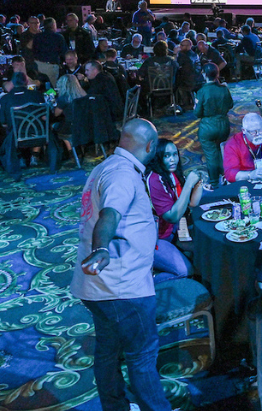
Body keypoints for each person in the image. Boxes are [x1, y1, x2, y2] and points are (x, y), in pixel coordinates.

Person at [70, 119, 172, 411]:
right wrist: (101, 247)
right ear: (151, 146)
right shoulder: (124, 175)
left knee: (108, 352)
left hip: (98, 286)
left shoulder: (105, 166)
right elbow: (109, 216)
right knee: (142, 357)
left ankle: (116, 407)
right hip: (122, 287)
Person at [145, 139, 205, 282]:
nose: (173, 160)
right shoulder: (154, 180)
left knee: (205, 251)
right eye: (166, 156)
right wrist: (189, 184)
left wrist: (198, 183)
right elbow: (172, 216)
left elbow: (192, 203)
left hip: (175, 231)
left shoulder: (172, 173)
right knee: (185, 271)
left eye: (174, 155)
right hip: (155, 239)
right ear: (158, 157)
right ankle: (145, 283)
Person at [195, 63, 234, 188]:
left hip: (208, 126)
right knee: (221, 151)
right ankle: (226, 177)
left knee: (211, 155)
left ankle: (214, 183)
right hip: (224, 125)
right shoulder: (223, 88)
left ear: (204, 74)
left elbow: (197, 113)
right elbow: (230, 105)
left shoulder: (201, 91)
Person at [223, 113, 262, 183]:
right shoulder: (233, 144)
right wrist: (250, 175)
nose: (258, 134)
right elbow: (230, 174)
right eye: (253, 132)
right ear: (244, 130)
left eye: (260, 130)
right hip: (246, 182)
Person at [53, 74, 88, 145]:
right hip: (84, 125)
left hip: (70, 127)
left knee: (52, 126)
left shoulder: (64, 99)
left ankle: (69, 150)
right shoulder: (84, 95)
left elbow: (55, 114)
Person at [33, 17, 67, 87]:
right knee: (52, 88)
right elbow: (64, 52)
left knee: (40, 86)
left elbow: (34, 50)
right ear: (53, 25)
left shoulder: (37, 37)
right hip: (51, 66)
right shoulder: (59, 37)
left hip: (38, 65)